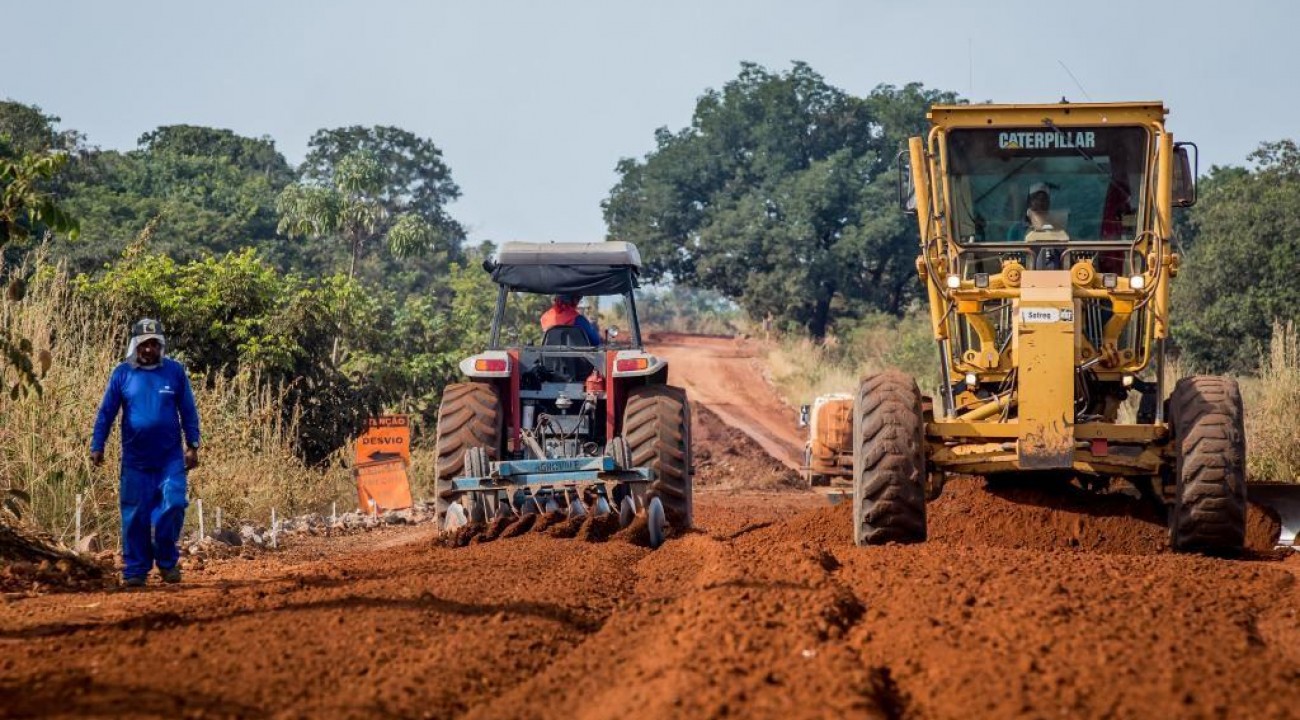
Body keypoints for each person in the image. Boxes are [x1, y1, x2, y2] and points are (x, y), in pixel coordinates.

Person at [91, 318, 201, 588]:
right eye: (144, 343)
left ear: (160, 345)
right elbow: (106, 412)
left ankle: (166, 560)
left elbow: (188, 409)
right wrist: (98, 444)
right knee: (135, 515)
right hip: (135, 460)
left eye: (154, 343)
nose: (149, 349)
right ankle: (136, 570)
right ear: (135, 344)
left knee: (174, 504)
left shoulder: (174, 372)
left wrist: (193, 445)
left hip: (169, 459)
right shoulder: (122, 374)